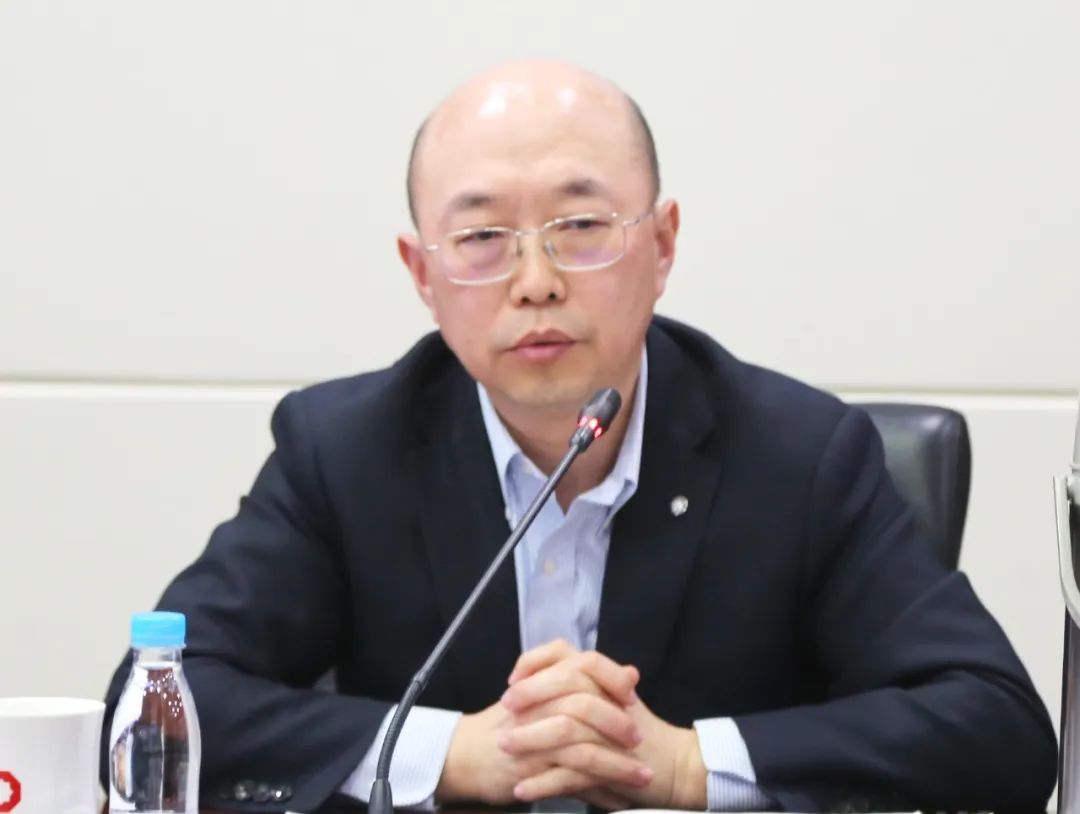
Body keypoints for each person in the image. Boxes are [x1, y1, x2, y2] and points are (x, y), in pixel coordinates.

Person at [101, 59, 1057, 812]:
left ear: (662, 245)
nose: (536, 281)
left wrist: (683, 764)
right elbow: (153, 705)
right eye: (482, 239)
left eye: (581, 226)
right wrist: (456, 751)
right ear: (422, 275)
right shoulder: (345, 450)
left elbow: (999, 726)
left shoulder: (800, 455)